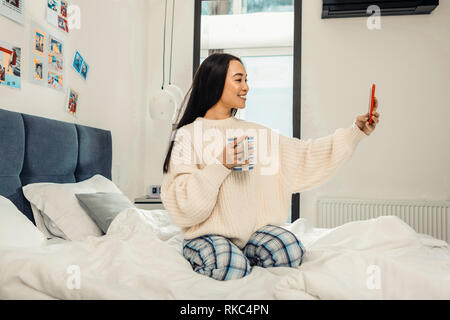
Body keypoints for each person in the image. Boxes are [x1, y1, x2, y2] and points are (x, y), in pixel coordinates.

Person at [160, 53, 380, 281]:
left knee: (289, 250)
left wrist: (356, 132)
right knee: (229, 266)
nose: (246, 87)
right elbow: (182, 206)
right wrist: (220, 164)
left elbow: (305, 156)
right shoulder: (187, 135)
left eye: (247, 80)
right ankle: (236, 261)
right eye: (238, 79)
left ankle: (244, 256)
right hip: (205, 234)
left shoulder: (256, 132)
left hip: (251, 235)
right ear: (215, 82)